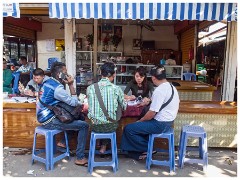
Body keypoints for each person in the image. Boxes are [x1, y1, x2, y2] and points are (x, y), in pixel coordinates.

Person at [120, 65, 180, 160]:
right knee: (139, 128)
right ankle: (141, 151)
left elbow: (151, 113)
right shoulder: (172, 87)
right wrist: (150, 100)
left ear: (153, 78)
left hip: (160, 124)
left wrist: (141, 120)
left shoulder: (159, 90)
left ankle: (148, 148)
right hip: (169, 122)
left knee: (128, 128)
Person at [36, 62, 89, 166]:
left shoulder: (47, 82)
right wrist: (70, 84)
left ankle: (63, 142)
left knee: (79, 118)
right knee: (84, 125)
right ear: (60, 74)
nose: (67, 74)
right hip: (49, 121)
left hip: (43, 116)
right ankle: (80, 157)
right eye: (65, 72)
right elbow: (74, 102)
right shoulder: (57, 88)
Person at [87, 62, 127, 154]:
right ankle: (104, 145)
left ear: (101, 73)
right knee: (113, 119)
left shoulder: (90, 88)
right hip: (110, 127)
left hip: (94, 126)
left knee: (100, 119)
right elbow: (124, 107)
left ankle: (99, 143)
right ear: (114, 74)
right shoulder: (116, 89)